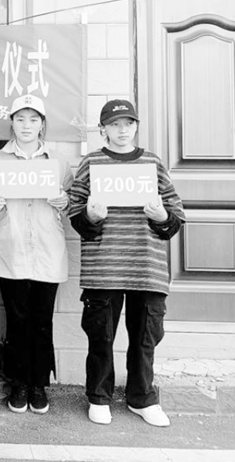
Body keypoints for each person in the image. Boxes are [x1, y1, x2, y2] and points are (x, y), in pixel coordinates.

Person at [68, 99, 185, 428]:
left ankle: (142, 397)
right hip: (103, 267)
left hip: (146, 266)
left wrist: (161, 216)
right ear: (103, 129)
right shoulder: (91, 163)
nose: (122, 130)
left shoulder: (152, 162)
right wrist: (91, 216)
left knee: (146, 337)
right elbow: (75, 213)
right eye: (115, 124)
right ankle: (99, 396)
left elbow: (175, 215)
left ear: (136, 126)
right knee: (100, 336)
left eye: (128, 123)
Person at [0, 94, 74, 415]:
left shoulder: (59, 162)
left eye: (33, 119)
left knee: (42, 321)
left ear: (42, 124)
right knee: (17, 320)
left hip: (48, 252)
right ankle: (19, 383)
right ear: (11, 123)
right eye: (20, 118)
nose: (26, 125)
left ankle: (39, 384)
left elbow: (71, 200)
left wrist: (65, 202)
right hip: (11, 251)